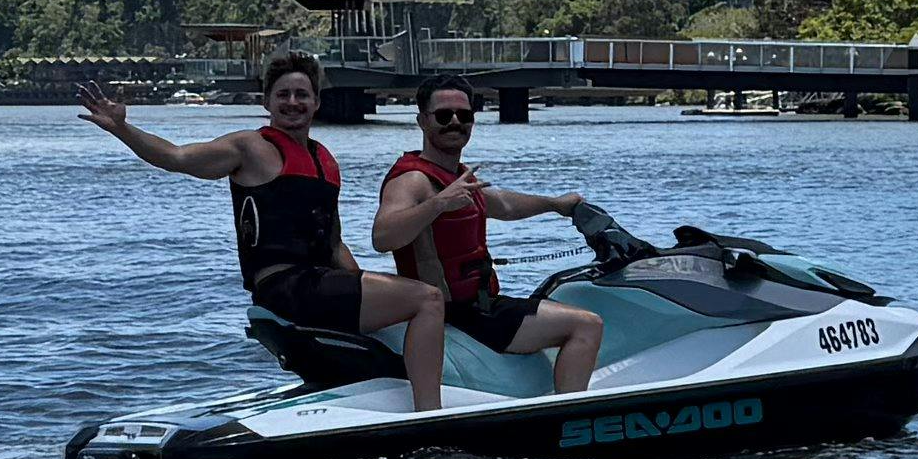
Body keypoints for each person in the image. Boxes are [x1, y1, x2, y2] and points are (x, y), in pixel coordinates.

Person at [79, 53, 445, 411]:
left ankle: (367, 391)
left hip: (320, 285)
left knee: (407, 302)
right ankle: (430, 412)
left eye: (302, 94)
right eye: (282, 94)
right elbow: (176, 157)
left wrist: (366, 285)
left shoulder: (325, 160)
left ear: (316, 102)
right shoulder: (251, 147)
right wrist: (123, 129)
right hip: (285, 288)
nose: (292, 102)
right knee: (427, 299)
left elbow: (334, 244)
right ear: (267, 100)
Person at [375, 78, 606, 397]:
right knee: (586, 324)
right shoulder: (412, 180)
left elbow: (504, 204)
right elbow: (382, 236)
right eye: (443, 116)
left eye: (463, 115)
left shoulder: (458, 176)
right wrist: (438, 203)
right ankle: (569, 418)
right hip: (457, 312)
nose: (454, 122)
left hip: (480, 305)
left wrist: (556, 204)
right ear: (422, 121)